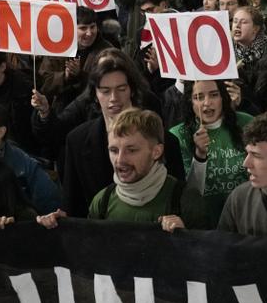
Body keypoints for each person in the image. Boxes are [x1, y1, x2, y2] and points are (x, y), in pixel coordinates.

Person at [41, 52, 186, 216]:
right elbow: (73, 209)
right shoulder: (77, 141)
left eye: (121, 89)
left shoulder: (167, 142)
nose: (114, 98)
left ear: (132, 90)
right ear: (95, 94)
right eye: (105, 91)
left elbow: (180, 202)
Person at [38, 107, 206, 230]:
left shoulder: (185, 200)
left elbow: (210, 260)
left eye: (131, 150)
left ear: (156, 152)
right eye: (113, 150)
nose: (120, 160)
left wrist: (187, 235)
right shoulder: (101, 202)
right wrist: (61, 227)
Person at [171, 77, 254, 227]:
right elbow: (189, 193)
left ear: (223, 97)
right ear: (190, 101)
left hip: (245, 218)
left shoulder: (246, 123)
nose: (207, 102)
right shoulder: (178, 135)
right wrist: (200, 155)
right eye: (199, 97)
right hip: (202, 223)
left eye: (214, 95)